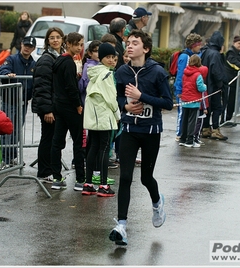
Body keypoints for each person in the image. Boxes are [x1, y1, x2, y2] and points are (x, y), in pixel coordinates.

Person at [109, 29, 173, 245]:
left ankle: (157, 203)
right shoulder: (122, 72)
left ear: (145, 48)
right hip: (128, 130)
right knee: (125, 177)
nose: (129, 45)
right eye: (128, 42)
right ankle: (121, 226)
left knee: (146, 178)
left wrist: (141, 97)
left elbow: (167, 103)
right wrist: (125, 105)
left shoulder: (157, 72)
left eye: (135, 43)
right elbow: (117, 96)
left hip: (150, 131)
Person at [82, 43, 120, 197]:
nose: (111, 60)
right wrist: (118, 115)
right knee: (104, 148)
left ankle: (88, 183)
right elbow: (111, 98)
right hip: (104, 116)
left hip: (93, 116)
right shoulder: (107, 74)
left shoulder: (94, 72)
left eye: (113, 57)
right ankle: (103, 185)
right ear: (102, 58)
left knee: (93, 147)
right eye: (108, 57)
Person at [50, 32, 85, 191]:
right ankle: (80, 179)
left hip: (58, 105)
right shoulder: (69, 62)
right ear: (68, 44)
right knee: (78, 142)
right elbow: (71, 88)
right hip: (70, 107)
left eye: (81, 44)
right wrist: (78, 105)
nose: (79, 48)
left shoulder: (59, 60)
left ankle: (56, 176)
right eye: (76, 44)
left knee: (57, 141)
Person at [31, 27, 65, 183]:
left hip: (56, 106)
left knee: (53, 139)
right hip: (48, 108)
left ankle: (50, 169)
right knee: (48, 139)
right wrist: (47, 110)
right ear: (47, 41)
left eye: (58, 37)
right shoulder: (46, 59)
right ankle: (44, 172)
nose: (55, 40)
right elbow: (42, 86)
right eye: (52, 38)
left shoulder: (58, 57)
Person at [0, 36, 36, 167]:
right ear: (21, 45)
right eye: (25, 45)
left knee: (17, 131)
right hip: (10, 101)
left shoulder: (33, 64)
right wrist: (8, 74)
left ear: (33, 49)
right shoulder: (11, 59)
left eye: (30, 46)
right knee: (6, 129)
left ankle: (12, 156)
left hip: (23, 102)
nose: (27, 48)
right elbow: (3, 70)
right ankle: (4, 158)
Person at [173, 33, 203, 141]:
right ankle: (179, 134)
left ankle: (182, 134)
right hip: (183, 92)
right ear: (193, 45)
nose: (200, 46)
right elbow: (180, 75)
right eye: (199, 44)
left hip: (186, 91)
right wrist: (179, 90)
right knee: (182, 113)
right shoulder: (185, 57)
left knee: (184, 114)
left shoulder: (189, 56)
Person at [200, 31, 228, 141]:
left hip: (206, 85)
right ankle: (215, 129)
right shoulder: (215, 54)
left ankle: (206, 128)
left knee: (207, 107)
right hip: (214, 86)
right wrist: (221, 84)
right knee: (217, 108)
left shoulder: (206, 51)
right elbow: (217, 72)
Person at [178, 54, 207, 148]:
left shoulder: (185, 73)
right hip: (194, 102)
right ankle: (190, 141)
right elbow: (201, 88)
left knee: (184, 120)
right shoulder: (198, 75)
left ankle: (182, 139)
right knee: (192, 122)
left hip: (185, 101)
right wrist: (205, 86)